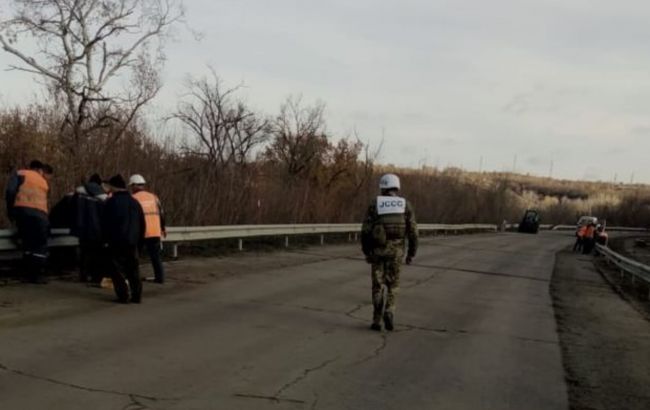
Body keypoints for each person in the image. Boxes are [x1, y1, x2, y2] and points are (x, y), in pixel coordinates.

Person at [361, 173, 418, 331]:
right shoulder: (405, 205)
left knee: (377, 286)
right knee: (393, 285)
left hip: (377, 251)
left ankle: (376, 320)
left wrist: (367, 251)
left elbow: (365, 230)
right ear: (396, 187)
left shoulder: (375, 204)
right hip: (396, 252)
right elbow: (413, 232)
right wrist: (411, 253)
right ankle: (390, 311)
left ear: (383, 187)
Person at [4, 160, 53, 284]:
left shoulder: (20, 173)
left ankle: (26, 273)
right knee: (40, 246)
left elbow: (10, 191)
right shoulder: (44, 182)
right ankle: (36, 275)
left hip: (23, 213)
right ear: (40, 169)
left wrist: (11, 211)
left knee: (27, 243)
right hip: (41, 215)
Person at [103, 175, 145, 303]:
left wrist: (105, 240)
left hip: (117, 241)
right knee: (133, 269)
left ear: (114, 187)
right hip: (132, 241)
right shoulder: (135, 202)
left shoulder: (111, 202)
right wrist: (140, 241)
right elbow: (142, 223)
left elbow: (106, 223)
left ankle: (123, 295)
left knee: (116, 269)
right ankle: (137, 295)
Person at [71, 174, 108, 284]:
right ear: (99, 183)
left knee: (84, 252)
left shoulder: (78, 193)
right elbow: (105, 213)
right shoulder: (102, 195)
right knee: (96, 253)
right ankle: (95, 277)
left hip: (81, 228)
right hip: (97, 230)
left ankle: (83, 275)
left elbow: (72, 208)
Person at [129, 174, 166, 284]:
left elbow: (132, 217)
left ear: (135, 185)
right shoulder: (153, 197)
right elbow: (162, 214)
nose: (131, 189)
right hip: (155, 231)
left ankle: (133, 278)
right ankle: (160, 278)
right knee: (155, 257)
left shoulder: (133, 198)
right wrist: (163, 228)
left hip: (141, 232)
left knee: (135, 256)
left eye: (131, 186)